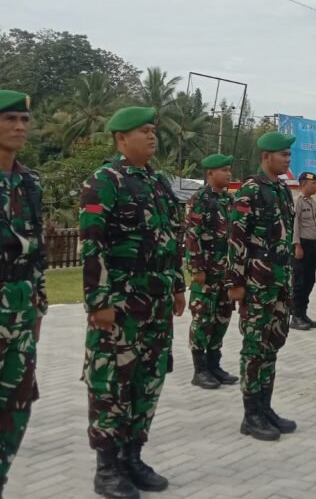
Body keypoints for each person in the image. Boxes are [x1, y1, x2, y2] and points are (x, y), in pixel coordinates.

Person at [80, 106, 186, 498]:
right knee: (111, 384)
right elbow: (93, 245)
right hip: (120, 307)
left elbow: (170, 239)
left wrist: (177, 285)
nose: (152, 136)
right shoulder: (104, 181)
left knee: (148, 381)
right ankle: (107, 467)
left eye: (154, 130)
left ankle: (132, 456)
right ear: (121, 138)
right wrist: (98, 301)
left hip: (156, 306)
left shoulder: (158, 183)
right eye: (144, 131)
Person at [227, 131, 297, 441]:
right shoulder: (250, 191)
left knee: (273, 343)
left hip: (280, 279)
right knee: (254, 347)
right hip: (257, 280)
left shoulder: (282, 190)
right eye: (283, 154)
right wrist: (235, 283)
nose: (287, 159)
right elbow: (237, 238)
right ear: (266, 157)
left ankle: (265, 407)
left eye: (289, 155)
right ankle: (250, 414)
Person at [0, 91, 47, 499]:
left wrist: (39, 308)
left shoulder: (30, 181)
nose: (19, 127)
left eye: (24, 120)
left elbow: (39, 249)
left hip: (21, 307)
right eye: (10, 119)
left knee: (17, 405)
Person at [185, 153, 238, 390]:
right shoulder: (199, 200)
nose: (228, 174)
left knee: (222, 318)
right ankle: (200, 369)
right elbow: (192, 235)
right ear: (210, 173)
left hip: (225, 272)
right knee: (203, 317)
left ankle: (215, 364)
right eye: (224, 170)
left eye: (229, 169)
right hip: (206, 271)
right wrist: (196, 268)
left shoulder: (228, 201)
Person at [291, 171, 316, 331]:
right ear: (303, 184)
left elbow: (315, 225)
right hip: (301, 244)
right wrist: (297, 245)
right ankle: (295, 316)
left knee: (310, 280)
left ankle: (303, 314)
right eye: (313, 184)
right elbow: (294, 225)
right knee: (300, 282)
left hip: (311, 244)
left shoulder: (312, 202)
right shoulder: (297, 201)